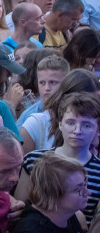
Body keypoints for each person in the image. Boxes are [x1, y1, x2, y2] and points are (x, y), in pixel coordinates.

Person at [16, 93, 100, 225]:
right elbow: (20, 208)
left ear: (97, 130)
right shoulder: (34, 160)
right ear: (60, 124)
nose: (77, 131)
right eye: (70, 123)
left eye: (87, 125)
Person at [8, 152, 91, 233]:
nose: (88, 193)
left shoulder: (69, 216)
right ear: (52, 195)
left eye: (85, 185)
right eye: (78, 189)